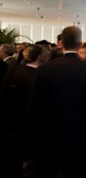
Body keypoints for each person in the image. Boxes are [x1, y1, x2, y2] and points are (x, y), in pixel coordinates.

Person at [27, 26, 86, 177]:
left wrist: (31, 142)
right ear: (80, 44)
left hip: (49, 138)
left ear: (61, 43)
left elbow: (35, 107)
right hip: (80, 138)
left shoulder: (45, 69)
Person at [0, 44, 42, 177]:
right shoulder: (40, 76)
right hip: (30, 121)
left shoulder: (14, 71)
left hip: (12, 121)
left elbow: (4, 93)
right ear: (39, 57)